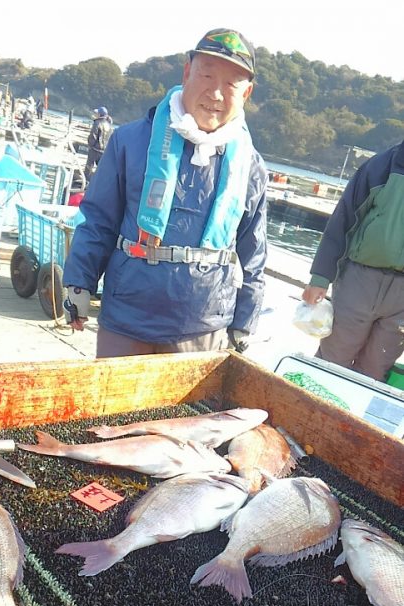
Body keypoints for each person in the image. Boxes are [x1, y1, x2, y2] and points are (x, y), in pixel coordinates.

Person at [62, 27, 268, 358]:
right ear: (187, 72)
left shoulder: (252, 166)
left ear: (246, 94)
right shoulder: (128, 141)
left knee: (189, 412)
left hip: (204, 326)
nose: (215, 93)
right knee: (113, 409)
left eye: (231, 84)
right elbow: (98, 219)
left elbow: (253, 250)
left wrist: (245, 320)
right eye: (207, 74)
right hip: (127, 318)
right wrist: (78, 284)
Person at [302, 141, 404, 382]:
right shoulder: (381, 166)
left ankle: (349, 420)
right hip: (360, 281)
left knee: (375, 371)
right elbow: (342, 220)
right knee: (333, 359)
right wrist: (320, 277)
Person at [84, 106, 113, 180]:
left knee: (89, 168)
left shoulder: (97, 123)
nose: (95, 114)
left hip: (95, 149)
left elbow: (93, 136)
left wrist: (90, 145)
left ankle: (86, 182)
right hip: (103, 151)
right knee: (101, 170)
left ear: (100, 114)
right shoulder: (109, 125)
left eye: (96, 113)